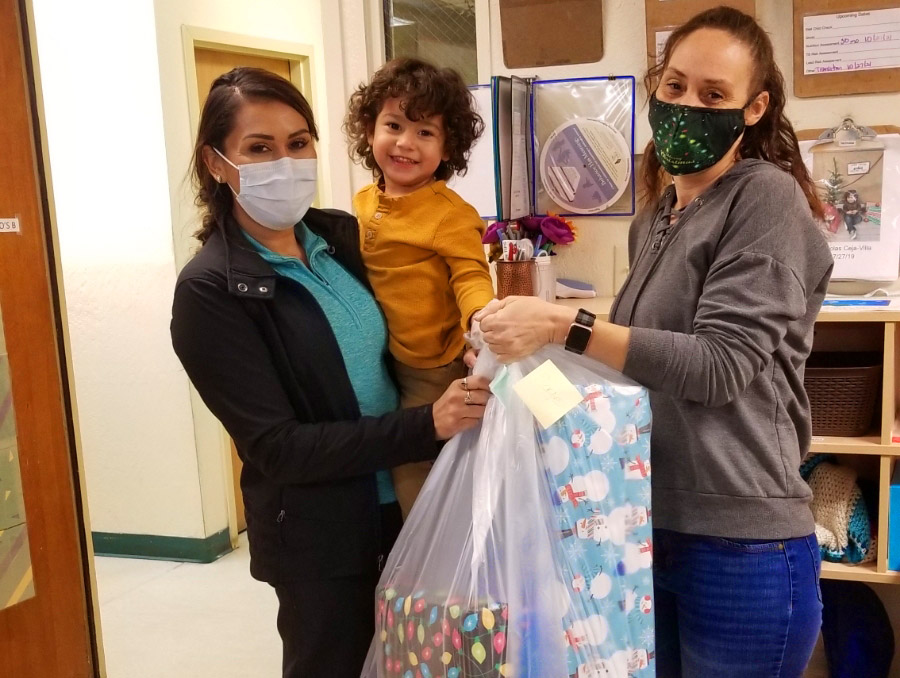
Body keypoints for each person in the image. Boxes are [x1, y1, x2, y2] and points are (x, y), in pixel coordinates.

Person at [476, 7, 832, 677]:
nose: (687, 106)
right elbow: (634, 373)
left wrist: (563, 326)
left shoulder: (765, 200)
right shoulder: (657, 219)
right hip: (640, 524)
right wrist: (518, 364)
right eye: (675, 86)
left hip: (741, 545)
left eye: (713, 95)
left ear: (753, 109)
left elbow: (721, 366)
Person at [169, 67, 490, 678]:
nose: (284, 161)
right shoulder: (211, 292)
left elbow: (426, 300)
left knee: (420, 663)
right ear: (216, 164)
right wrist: (428, 425)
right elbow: (278, 449)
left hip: (399, 511)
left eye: (297, 142)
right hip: (319, 540)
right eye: (258, 148)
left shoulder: (339, 238)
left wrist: (471, 334)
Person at [344, 58, 495, 519]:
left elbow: (470, 273)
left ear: (448, 148)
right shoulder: (364, 201)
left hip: (430, 366)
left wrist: (482, 317)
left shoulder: (450, 213)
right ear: (370, 131)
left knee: (412, 469)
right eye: (393, 125)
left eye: (425, 132)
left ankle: (422, 553)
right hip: (383, 360)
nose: (406, 143)